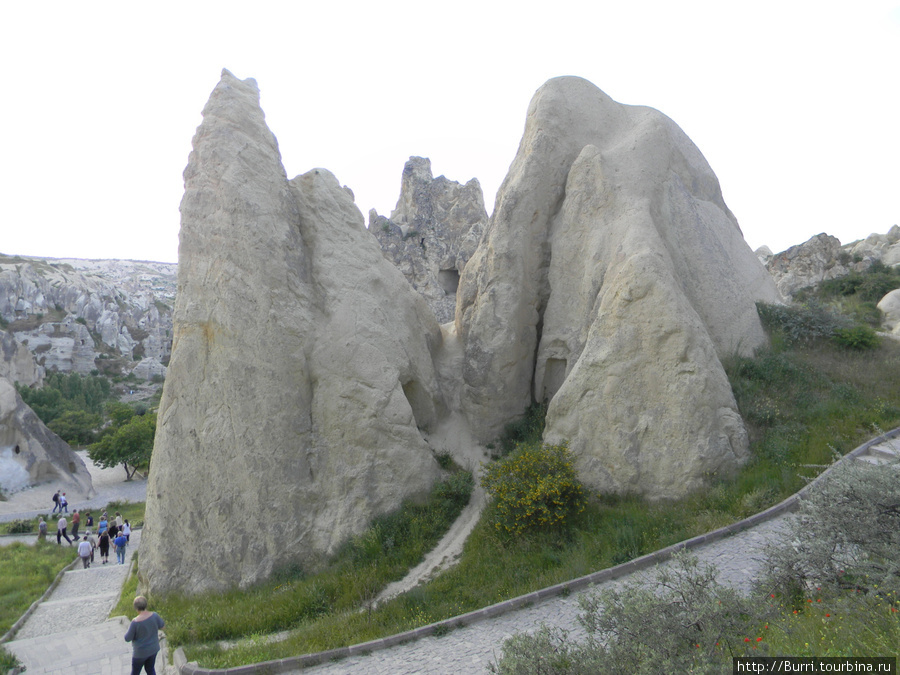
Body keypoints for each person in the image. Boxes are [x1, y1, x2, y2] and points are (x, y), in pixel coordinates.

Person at [124, 596, 165, 675]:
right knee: (150, 669)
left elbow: (127, 638)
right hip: (153, 649)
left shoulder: (135, 622)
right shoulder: (155, 615)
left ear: (136, 608)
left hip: (140, 652)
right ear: (146, 605)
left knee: (135, 672)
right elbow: (162, 626)